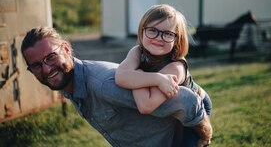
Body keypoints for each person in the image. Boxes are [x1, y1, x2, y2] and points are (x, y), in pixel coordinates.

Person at [21, 26, 211, 147]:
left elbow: (187, 100)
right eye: (37, 65)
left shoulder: (104, 85)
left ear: (67, 50)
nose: (46, 69)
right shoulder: (70, 84)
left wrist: (204, 136)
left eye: (51, 57)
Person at [115, 4, 213, 146]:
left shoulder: (176, 67)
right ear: (142, 31)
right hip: (169, 103)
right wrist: (156, 78)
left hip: (195, 105)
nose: (159, 38)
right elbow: (121, 76)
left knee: (185, 142)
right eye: (152, 30)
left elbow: (145, 105)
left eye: (168, 34)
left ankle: (204, 139)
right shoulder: (137, 51)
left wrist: (136, 75)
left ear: (177, 40)